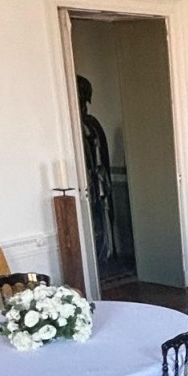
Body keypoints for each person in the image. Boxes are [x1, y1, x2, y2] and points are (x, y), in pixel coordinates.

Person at [76, 75, 115, 264]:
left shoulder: (92, 125)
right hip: (83, 184)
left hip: (98, 181)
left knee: (101, 217)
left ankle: (104, 255)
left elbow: (102, 158)